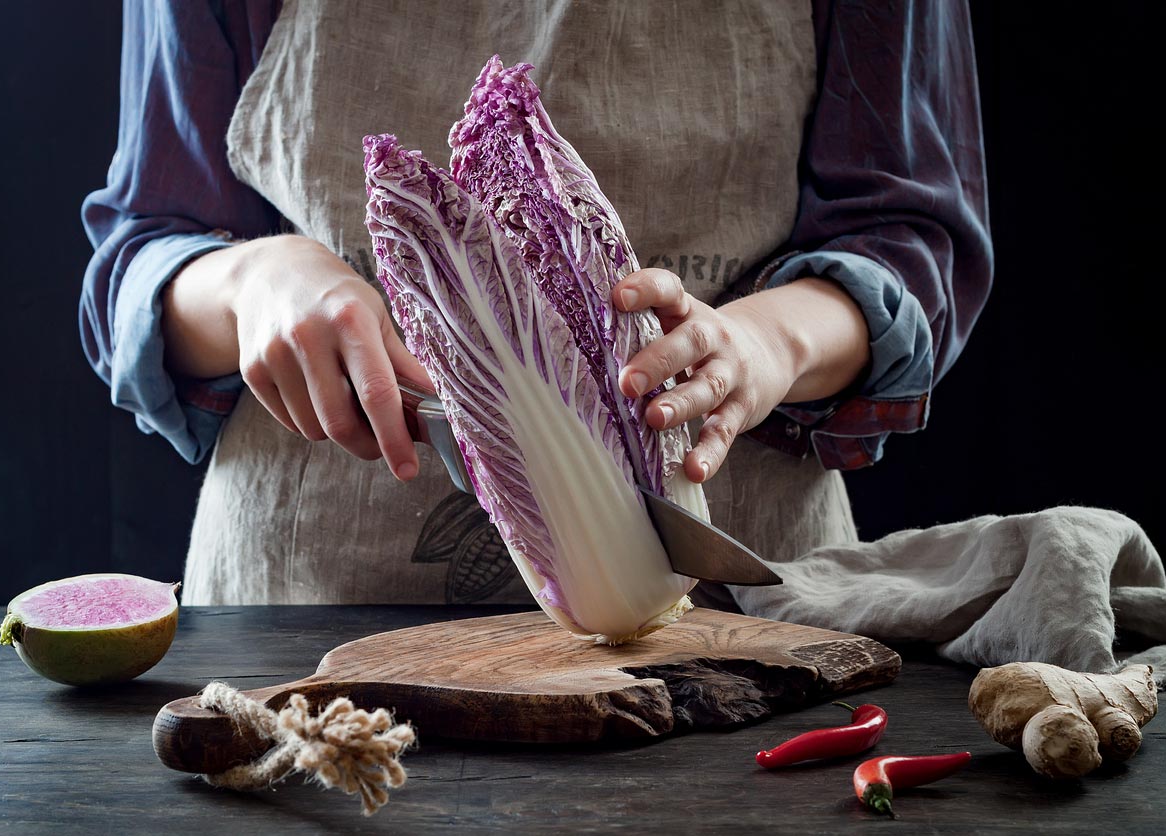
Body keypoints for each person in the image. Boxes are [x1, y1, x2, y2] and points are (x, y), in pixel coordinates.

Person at [80, 0, 992, 608]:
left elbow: (908, 241)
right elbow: (141, 252)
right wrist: (253, 282)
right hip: (309, 622)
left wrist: (763, 345)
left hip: (739, 618)